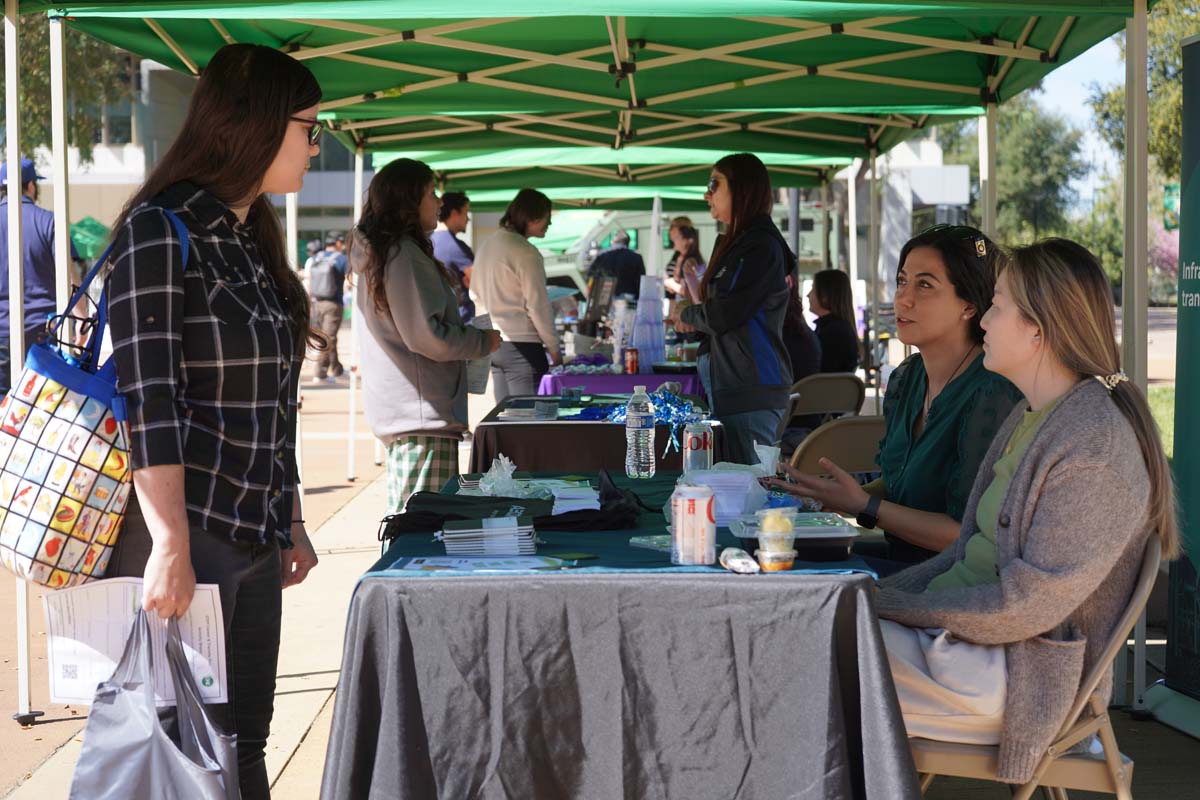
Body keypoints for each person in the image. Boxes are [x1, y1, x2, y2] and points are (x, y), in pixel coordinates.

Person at [872, 238, 1179, 785]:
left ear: (1038, 329)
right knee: (806, 637)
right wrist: (875, 599)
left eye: (997, 305)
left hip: (1014, 675)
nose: (984, 320)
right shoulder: (1033, 414)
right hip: (966, 653)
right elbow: (965, 556)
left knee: (807, 655)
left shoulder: (1092, 443)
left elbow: (1024, 608)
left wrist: (887, 607)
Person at [101, 43, 322, 800]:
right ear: (257, 125)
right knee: (189, 747)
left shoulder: (248, 235)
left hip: (253, 531)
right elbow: (149, 400)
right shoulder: (161, 230)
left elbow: (274, 399)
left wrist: (289, 513)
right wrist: (169, 543)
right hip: (193, 534)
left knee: (242, 741)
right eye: (308, 128)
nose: (315, 145)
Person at [772, 225, 1022, 571]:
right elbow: (899, 484)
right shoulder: (909, 377)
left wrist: (863, 506)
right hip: (900, 561)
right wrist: (828, 496)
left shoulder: (992, 391)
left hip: (953, 583)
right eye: (902, 281)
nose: (903, 298)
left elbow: (967, 535)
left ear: (969, 305)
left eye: (925, 285)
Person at [351, 160, 501, 514]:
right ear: (407, 201)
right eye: (431, 193)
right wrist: (482, 342)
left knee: (420, 524)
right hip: (420, 415)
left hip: (416, 415)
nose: (437, 202)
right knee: (421, 527)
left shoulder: (392, 252)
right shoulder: (403, 254)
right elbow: (427, 337)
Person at [674, 153, 793, 465]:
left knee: (751, 493)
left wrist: (686, 315)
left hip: (750, 389)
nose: (706, 194)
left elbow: (725, 313)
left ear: (742, 189)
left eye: (714, 184)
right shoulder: (739, 243)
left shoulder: (758, 246)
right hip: (734, 388)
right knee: (737, 490)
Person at [0, 157, 84, 393]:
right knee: (42, 405)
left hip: (2, 333)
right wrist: (82, 319)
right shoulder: (49, 221)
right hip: (43, 329)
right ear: (31, 186)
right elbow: (69, 275)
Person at [471, 188, 560, 402]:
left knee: (506, 420)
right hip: (523, 347)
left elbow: (475, 295)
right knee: (526, 423)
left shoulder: (487, 245)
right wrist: (554, 348)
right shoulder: (526, 252)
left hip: (494, 343)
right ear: (532, 217)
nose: (549, 224)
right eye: (547, 218)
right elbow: (538, 306)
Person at [430, 190, 476, 322]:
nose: (468, 218)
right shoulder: (456, 247)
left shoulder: (430, 241)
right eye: (465, 212)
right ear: (454, 213)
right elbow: (479, 283)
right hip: (463, 319)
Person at [308, 232, 347, 383]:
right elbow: (351, 277)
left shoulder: (316, 258)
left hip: (316, 303)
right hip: (333, 304)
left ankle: (337, 369)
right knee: (328, 338)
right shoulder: (342, 259)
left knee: (326, 337)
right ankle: (320, 373)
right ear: (338, 243)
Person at [807, 269, 860, 373]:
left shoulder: (832, 333)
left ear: (825, 296)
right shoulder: (841, 328)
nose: (808, 295)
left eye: (812, 289)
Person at [587, 228, 645, 299]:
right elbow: (641, 282)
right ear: (628, 243)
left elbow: (591, 277)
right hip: (629, 298)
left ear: (612, 242)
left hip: (606, 297)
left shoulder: (602, 257)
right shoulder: (636, 258)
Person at [663, 215, 694, 298]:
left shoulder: (691, 260)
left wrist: (670, 283)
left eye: (673, 227)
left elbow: (692, 291)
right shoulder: (678, 255)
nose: (670, 230)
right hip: (675, 304)